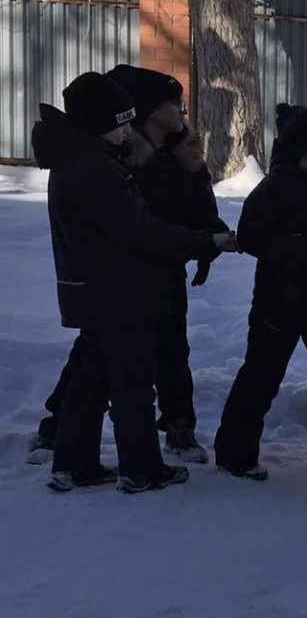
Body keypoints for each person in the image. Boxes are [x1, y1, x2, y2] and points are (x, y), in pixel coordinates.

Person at [32, 72, 235, 493]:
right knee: (132, 383)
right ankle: (141, 467)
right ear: (96, 124)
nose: (127, 129)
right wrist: (203, 242)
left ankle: (74, 462)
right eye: (120, 122)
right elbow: (139, 230)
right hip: (121, 292)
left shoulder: (82, 161)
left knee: (92, 378)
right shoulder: (97, 170)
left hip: (98, 290)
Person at [214, 104, 307, 480]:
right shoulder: (275, 187)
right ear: (302, 143)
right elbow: (252, 237)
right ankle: (235, 453)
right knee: (262, 375)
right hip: (279, 301)